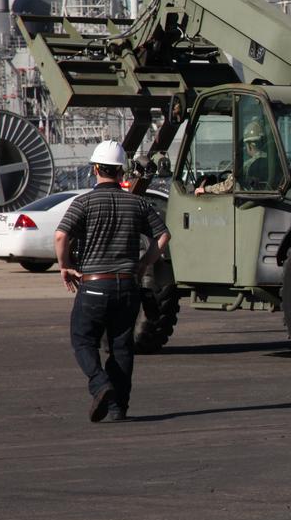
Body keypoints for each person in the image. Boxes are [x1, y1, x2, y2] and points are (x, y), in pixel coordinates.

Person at [55, 141, 171, 422]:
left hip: (94, 284)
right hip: (128, 286)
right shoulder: (137, 203)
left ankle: (100, 384)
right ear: (121, 171)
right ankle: (118, 409)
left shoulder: (83, 203)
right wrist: (143, 264)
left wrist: (65, 266)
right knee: (121, 346)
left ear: (95, 168)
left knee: (83, 340)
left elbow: (61, 236)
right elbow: (163, 236)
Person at [195, 121, 269, 195]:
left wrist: (206, 189)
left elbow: (227, 186)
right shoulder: (271, 162)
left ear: (249, 145)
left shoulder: (246, 166)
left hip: (249, 199)